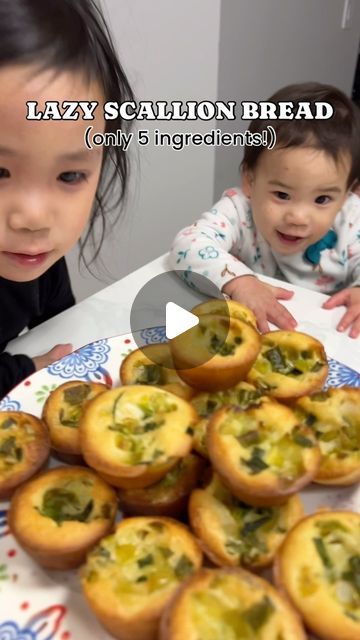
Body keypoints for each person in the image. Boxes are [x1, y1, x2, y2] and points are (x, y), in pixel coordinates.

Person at [0, 0, 134, 398]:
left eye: (70, 175)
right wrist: (22, 369)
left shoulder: (35, 256)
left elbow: (61, 328)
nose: (34, 218)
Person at [170, 82, 360, 338]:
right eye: (282, 195)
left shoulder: (351, 217)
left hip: (328, 340)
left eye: (322, 199)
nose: (298, 217)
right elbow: (186, 246)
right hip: (251, 334)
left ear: (348, 193)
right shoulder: (239, 211)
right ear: (250, 181)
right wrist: (240, 282)